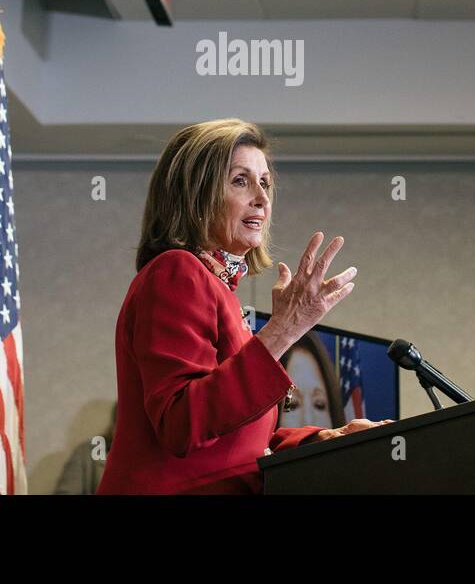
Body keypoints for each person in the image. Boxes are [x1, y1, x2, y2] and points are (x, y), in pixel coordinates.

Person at [96, 118, 392, 495]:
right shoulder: (176, 272)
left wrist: (328, 438)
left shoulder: (216, 288)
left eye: (265, 183)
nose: (262, 198)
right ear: (195, 193)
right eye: (241, 180)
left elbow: (240, 444)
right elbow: (181, 423)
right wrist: (285, 329)